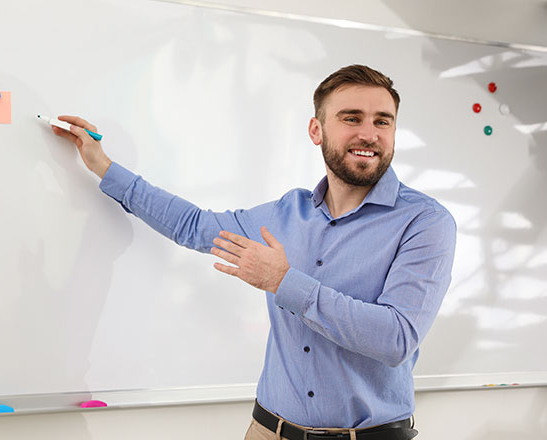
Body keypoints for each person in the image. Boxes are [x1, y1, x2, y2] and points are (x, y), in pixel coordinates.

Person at [51, 64, 456, 440]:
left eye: (382, 121)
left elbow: (396, 337)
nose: (369, 133)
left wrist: (283, 281)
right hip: (267, 431)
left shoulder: (425, 222)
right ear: (317, 130)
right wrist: (104, 166)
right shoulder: (286, 213)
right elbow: (194, 226)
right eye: (351, 118)